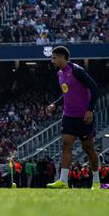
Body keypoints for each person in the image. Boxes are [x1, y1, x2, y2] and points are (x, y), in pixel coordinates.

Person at [44, 45, 101, 190]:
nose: (52, 60)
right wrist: (56, 104)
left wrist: (90, 110)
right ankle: (63, 181)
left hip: (83, 117)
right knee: (65, 146)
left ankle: (96, 181)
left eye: (54, 57)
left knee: (88, 148)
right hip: (68, 116)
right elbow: (67, 93)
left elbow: (95, 89)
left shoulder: (77, 71)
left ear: (63, 57)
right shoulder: (60, 74)